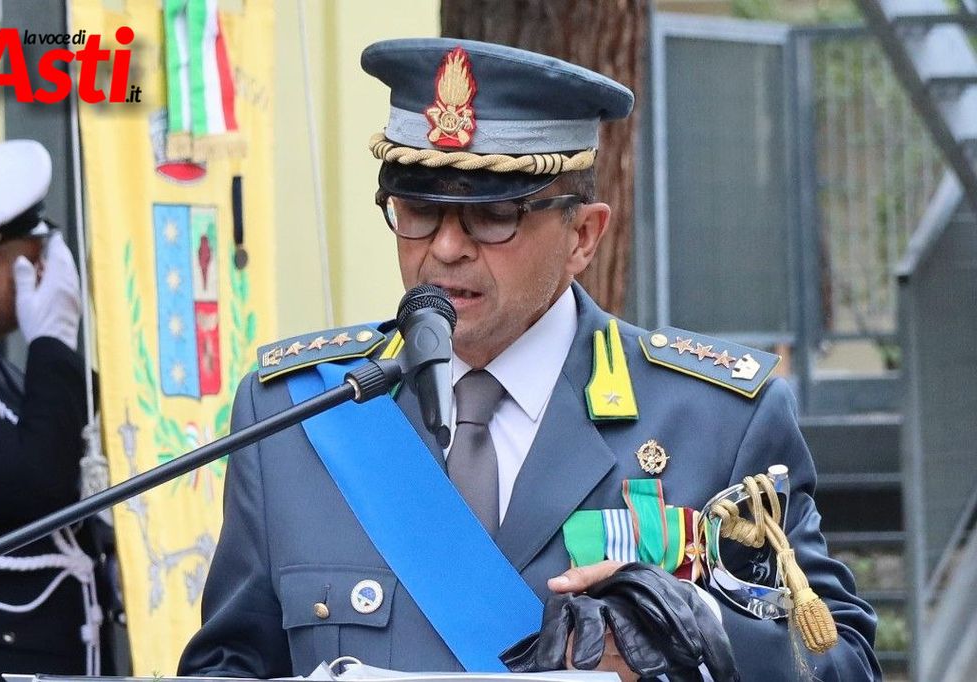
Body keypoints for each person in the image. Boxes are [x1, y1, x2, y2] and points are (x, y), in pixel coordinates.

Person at [179, 38, 880, 680]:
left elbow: (842, 662)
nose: (445, 248)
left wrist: (707, 634)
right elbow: (229, 664)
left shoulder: (717, 422)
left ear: (583, 236)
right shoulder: (301, 413)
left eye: (494, 216)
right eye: (417, 209)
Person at [0, 140, 105, 679]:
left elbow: (67, 426)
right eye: (37, 260)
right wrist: (53, 341)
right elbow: (40, 478)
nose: (50, 276)